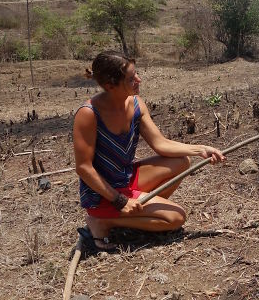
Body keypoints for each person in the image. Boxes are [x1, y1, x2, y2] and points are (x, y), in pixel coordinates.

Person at [73, 51, 225, 253]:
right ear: (110, 85)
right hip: (104, 194)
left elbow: (160, 144)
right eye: (131, 79)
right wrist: (119, 201)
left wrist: (201, 150)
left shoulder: (136, 103)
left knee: (182, 161)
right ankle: (102, 221)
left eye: (136, 74)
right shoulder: (89, 114)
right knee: (176, 217)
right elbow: (84, 168)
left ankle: (136, 214)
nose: (139, 80)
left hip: (126, 178)